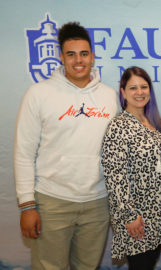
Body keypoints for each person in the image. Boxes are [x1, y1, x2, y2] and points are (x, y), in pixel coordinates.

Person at [14, 22, 119, 269]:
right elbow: (23, 153)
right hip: (52, 202)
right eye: (70, 54)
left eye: (84, 54)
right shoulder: (38, 94)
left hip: (97, 203)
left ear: (92, 56)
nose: (78, 60)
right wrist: (27, 206)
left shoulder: (109, 96)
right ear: (61, 57)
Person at [101, 66, 161, 270]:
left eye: (144, 87)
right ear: (123, 91)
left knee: (148, 265)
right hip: (137, 218)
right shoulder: (118, 126)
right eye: (133, 87)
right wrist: (129, 215)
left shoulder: (155, 123)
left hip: (158, 214)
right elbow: (114, 175)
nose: (139, 92)